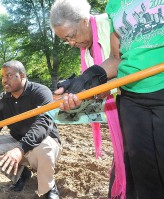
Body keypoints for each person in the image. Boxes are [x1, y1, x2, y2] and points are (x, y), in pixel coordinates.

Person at [52, 0, 164, 198]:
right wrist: (86, 79)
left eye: (72, 36)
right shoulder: (114, 6)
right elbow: (116, 57)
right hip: (132, 99)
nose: (71, 43)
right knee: (144, 177)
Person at [50, 1, 126, 198]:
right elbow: (101, 87)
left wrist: (91, 82)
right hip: (124, 111)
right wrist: (79, 87)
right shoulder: (86, 48)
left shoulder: (110, 25)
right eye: (66, 40)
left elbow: (126, 65)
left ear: (85, 21)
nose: (71, 43)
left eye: (72, 36)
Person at [0, 60, 61, 198]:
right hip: (18, 142)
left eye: (9, 75)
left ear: (22, 75)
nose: (4, 80)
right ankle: (21, 174)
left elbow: (42, 125)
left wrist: (20, 149)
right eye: (3, 76)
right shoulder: (1, 100)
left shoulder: (41, 92)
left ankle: (48, 189)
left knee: (44, 147)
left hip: (45, 142)